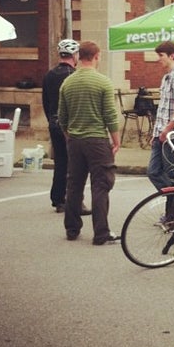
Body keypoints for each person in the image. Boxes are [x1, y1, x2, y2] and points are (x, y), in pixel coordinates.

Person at [58, 41, 121, 245]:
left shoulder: (68, 83)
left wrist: (69, 136)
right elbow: (110, 115)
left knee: (74, 184)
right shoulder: (103, 82)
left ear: (79, 56)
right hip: (97, 140)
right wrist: (116, 140)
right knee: (101, 184)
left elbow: (62, 116)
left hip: (75, 140)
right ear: (96, 56)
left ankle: (72, 228)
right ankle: (101, 233)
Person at [42, 39, 91, 215]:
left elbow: (46, 103)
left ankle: (58, 199)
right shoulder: (73, 75)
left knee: (60, 162)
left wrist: (51, 121)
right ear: (75, 55)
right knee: (75, 166)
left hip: (54, 124)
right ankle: (74, 201)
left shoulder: (49, 75)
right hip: (70, 125)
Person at [147, 41, 174, 191]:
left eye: (161, 55)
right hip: (162, 133)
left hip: (172, 135)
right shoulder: (167, 77)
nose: (159, 59)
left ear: (172, 56)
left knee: (171, 175)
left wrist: (166, 130)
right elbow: (163, 109)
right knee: (153, 172)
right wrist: (156, 132)